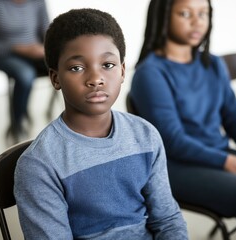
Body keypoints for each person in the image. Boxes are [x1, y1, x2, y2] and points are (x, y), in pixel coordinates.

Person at [14, 8, 188, 239]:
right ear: (55, 78)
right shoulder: (40, 164)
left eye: (107, 65)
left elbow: (167, 221)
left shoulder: (145, 135)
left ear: (123, 70)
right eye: (77, 68)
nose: (96, 79)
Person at [130, 0, 236, 239]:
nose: (197, 21)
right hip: (176, 169)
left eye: (203, 13)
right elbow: (174, 141)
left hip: (218, 156)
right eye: (185, 14)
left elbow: (234, 117)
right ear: (163, 16)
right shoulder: (150, 73)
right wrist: (231, 162)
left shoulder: (213, 64)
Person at [0, 0, 50, 141]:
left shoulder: (38, 2)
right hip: (0, 55)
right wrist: (19, 48)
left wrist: (45, 48)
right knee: (26, 75)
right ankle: (17, 125)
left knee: (63, 66)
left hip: (34, 54)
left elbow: (48, 33)